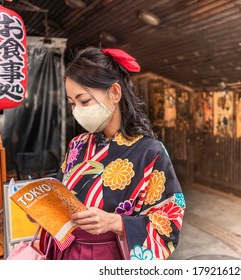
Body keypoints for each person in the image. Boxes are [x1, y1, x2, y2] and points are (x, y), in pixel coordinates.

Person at [39, 46, 186, 260]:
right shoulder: (77, 145)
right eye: (72, 104)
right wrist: (43, 212)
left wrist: (115, 222)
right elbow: (61, 199)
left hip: (108, 256)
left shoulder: (150, 152)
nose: (77, 110)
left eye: (84, 101)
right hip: (65, 252)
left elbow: (168, 222)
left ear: (115, 93)